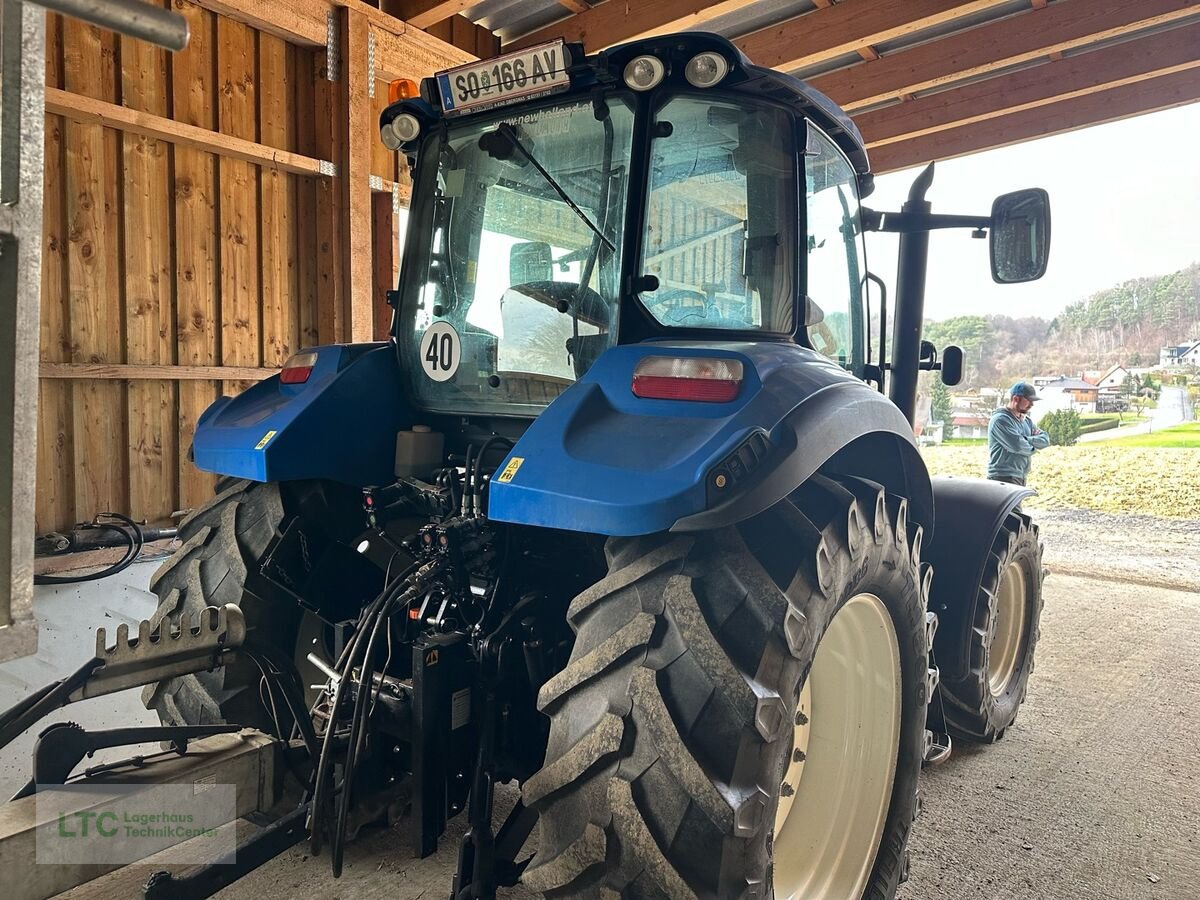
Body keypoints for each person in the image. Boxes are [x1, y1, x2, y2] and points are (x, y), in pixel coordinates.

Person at [987, 381, 1050, 486]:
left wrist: (1025, 439)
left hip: (1020, 476)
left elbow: (1045, 440)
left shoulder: (1027, 421)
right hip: (1002, 477)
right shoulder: (1000, 420)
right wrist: (1034, 447)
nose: (1032, 405)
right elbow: (1018, 446)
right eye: (1029, 401)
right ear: (1016, 398)